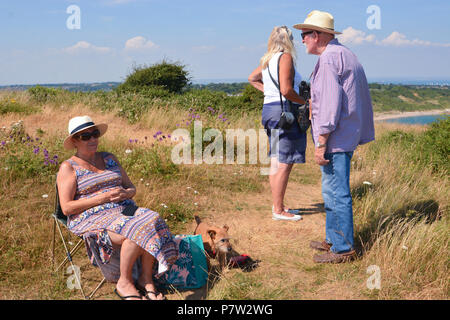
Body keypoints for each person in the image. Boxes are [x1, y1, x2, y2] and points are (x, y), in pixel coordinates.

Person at [57, 115, 178, 300]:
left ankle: (146, 278)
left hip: (122, 209)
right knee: (135, 231)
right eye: (85, 136)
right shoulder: (69, 167)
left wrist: (126, 194)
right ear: (74, 141)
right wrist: (102, 198)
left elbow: (131, 187)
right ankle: (125, 281)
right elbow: (66, 208)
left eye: (95, 134)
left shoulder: (108, 158)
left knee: (153, 218)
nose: (93, 139)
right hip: (91, 216)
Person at [293, 10, 375, 263]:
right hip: (345, 134)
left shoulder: (329, 59)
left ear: (317, 35)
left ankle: (343, 249)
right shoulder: (345, 54)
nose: (302, 40)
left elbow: (329, 105)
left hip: (335, 139)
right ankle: (334, 239)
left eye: (305, 35)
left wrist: (321, 143)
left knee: (337, 192)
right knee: (331, 191)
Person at [248, 26, 306, 221]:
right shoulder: (286, 57)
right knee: (285, 161)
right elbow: (287, 90)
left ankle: (277, 205)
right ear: (289, 40)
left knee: (275, 159)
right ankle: (279, 211)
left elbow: (252, 78)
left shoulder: (268, 59)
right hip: (284, 112)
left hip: (269, 110)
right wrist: (306, 103)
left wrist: (268, 92)